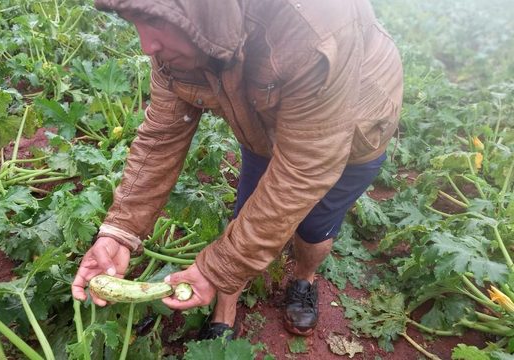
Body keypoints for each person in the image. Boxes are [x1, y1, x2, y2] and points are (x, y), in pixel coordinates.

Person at [72, 0, 403, 338]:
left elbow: (305, 166)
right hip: (261, 118)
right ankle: (225, 308)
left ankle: (304, 278)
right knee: (246, 210)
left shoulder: (315, 22)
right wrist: (121, 230)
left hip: (352, 130)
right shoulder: (178, 34)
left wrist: (221, 265)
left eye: (152, 21)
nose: (146, 45)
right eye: (134, 22)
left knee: (315, 228)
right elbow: (162, 134)